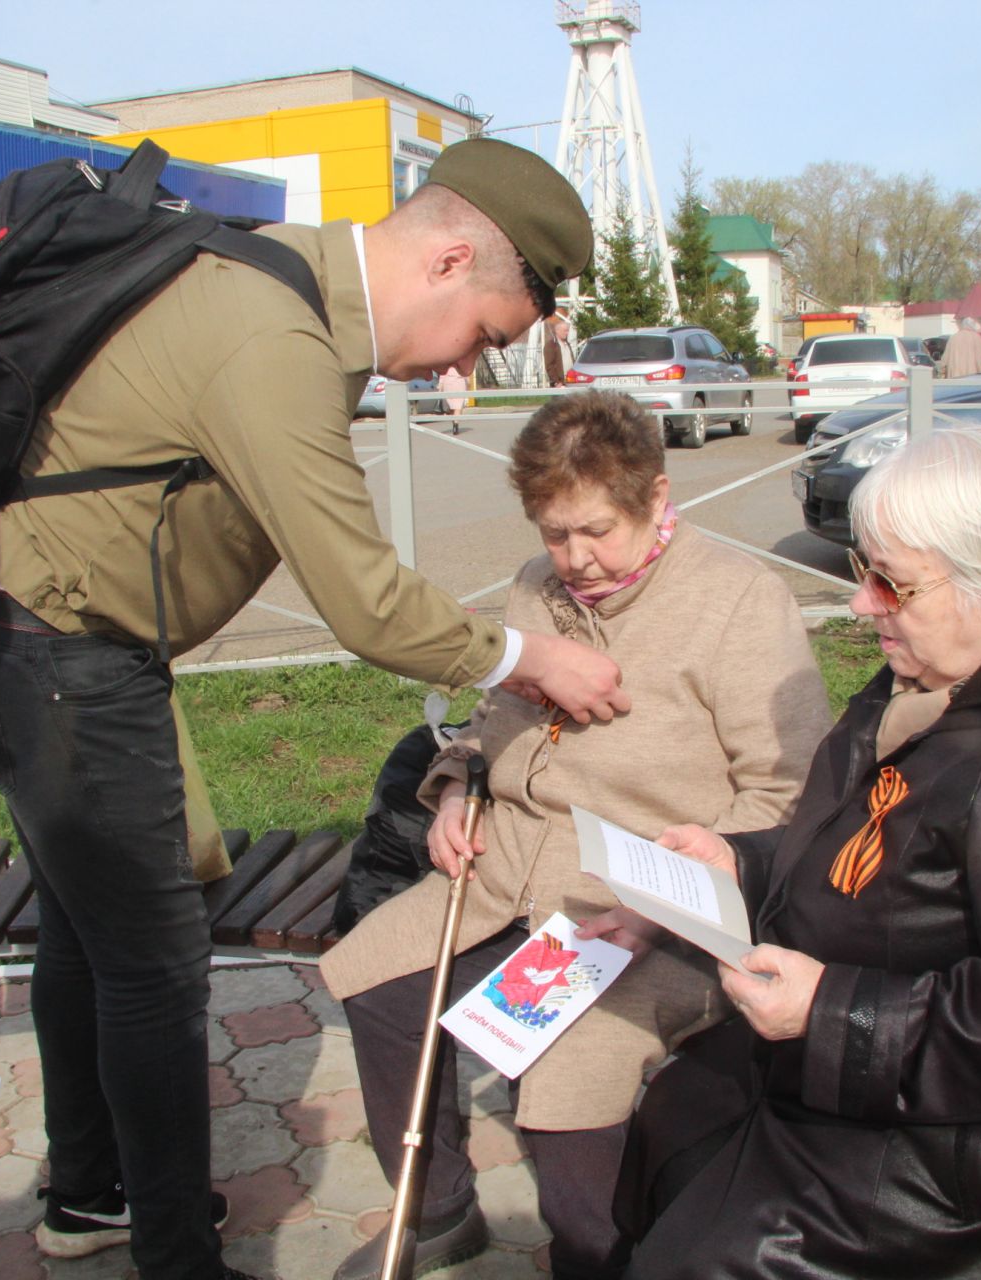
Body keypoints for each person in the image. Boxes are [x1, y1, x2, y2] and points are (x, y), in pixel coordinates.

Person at [0, 136, 619, 1280]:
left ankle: (90, 1191)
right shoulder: (276, 335)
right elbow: (366, 601)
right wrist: (533, 658)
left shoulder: (281, 280)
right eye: (483, 333)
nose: (455, 370)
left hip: (13, 614)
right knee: (156, 955)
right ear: (447, 257)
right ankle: (175, 1256)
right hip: (49, 636)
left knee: (93, 923)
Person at [613, 422, 981, 1279]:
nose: (863, 603)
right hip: (898, 1074)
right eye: (863, 571)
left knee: (708, 1259)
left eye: (889, 582)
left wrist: (829, 1014)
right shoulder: (962, 664)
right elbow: (872, 847)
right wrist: (740, 864)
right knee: (674, 1120)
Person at [320, 391, 832, 1280]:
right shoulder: (536, 584)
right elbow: (490, 725)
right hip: (505, 875)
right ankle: (438, 1211)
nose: (574, 560)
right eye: (555, 533)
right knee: (380, 981)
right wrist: (452, 794)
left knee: (564, 1102)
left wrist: (661, 908)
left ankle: (605, 1256)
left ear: (657, 498)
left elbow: (787, 796)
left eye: (595, 531)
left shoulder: (741, 602)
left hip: (649, 912)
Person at [542, 310, 575, 387]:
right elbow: (549, 365)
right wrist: (556, 381)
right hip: (559, 383)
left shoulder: (567, 344)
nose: (567, 333)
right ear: (557, 331)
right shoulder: (551, 345)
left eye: (567, 331)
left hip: (570, 381)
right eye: (565, 331)